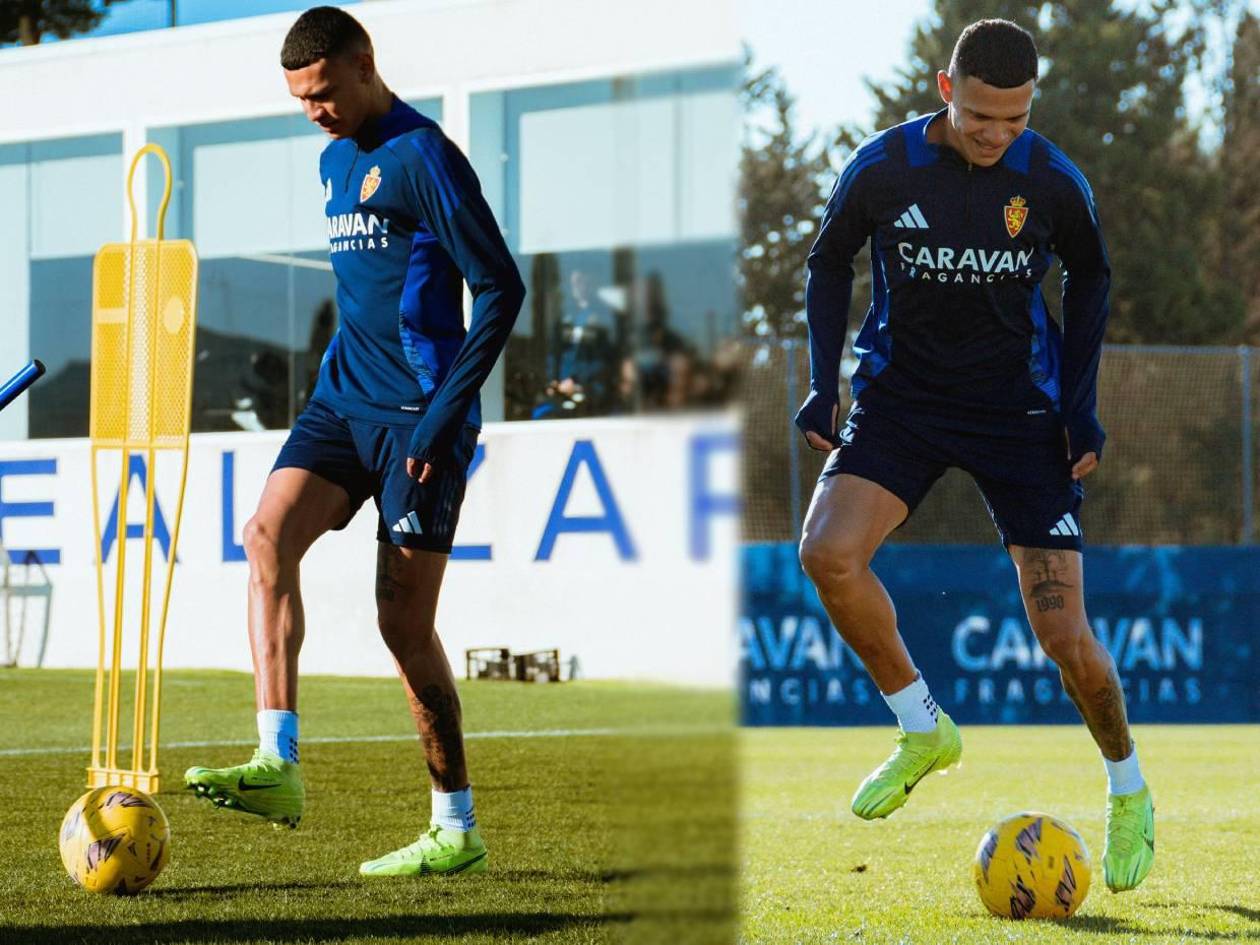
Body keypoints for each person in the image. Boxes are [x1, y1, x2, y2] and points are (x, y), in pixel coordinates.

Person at [794, 19, 1154, 893]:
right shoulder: (885, 167)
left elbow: (1092, 276)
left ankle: (1129, 788)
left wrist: (1080, 409)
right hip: (902, 402)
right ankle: (923, 727)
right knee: (826, 555)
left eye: (1016, 120)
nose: (997, 136)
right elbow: (828, 259)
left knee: (1066, 637)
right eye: (983, 116)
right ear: (946, 88)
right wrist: (821, 382)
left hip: (1018, 413)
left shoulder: (1052, 180)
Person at [184, 6, 524, 879]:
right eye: (301, 100)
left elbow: (499, 287)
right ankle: (277, 763)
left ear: (365, 64)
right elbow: (371, 293)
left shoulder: (426, 156)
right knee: (265, 535)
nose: (316, 113)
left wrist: (446, 414)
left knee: (402, 623)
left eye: (326, 93)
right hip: (341, 402)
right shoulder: (335, 162)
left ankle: (456, 825)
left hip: (423, 416)